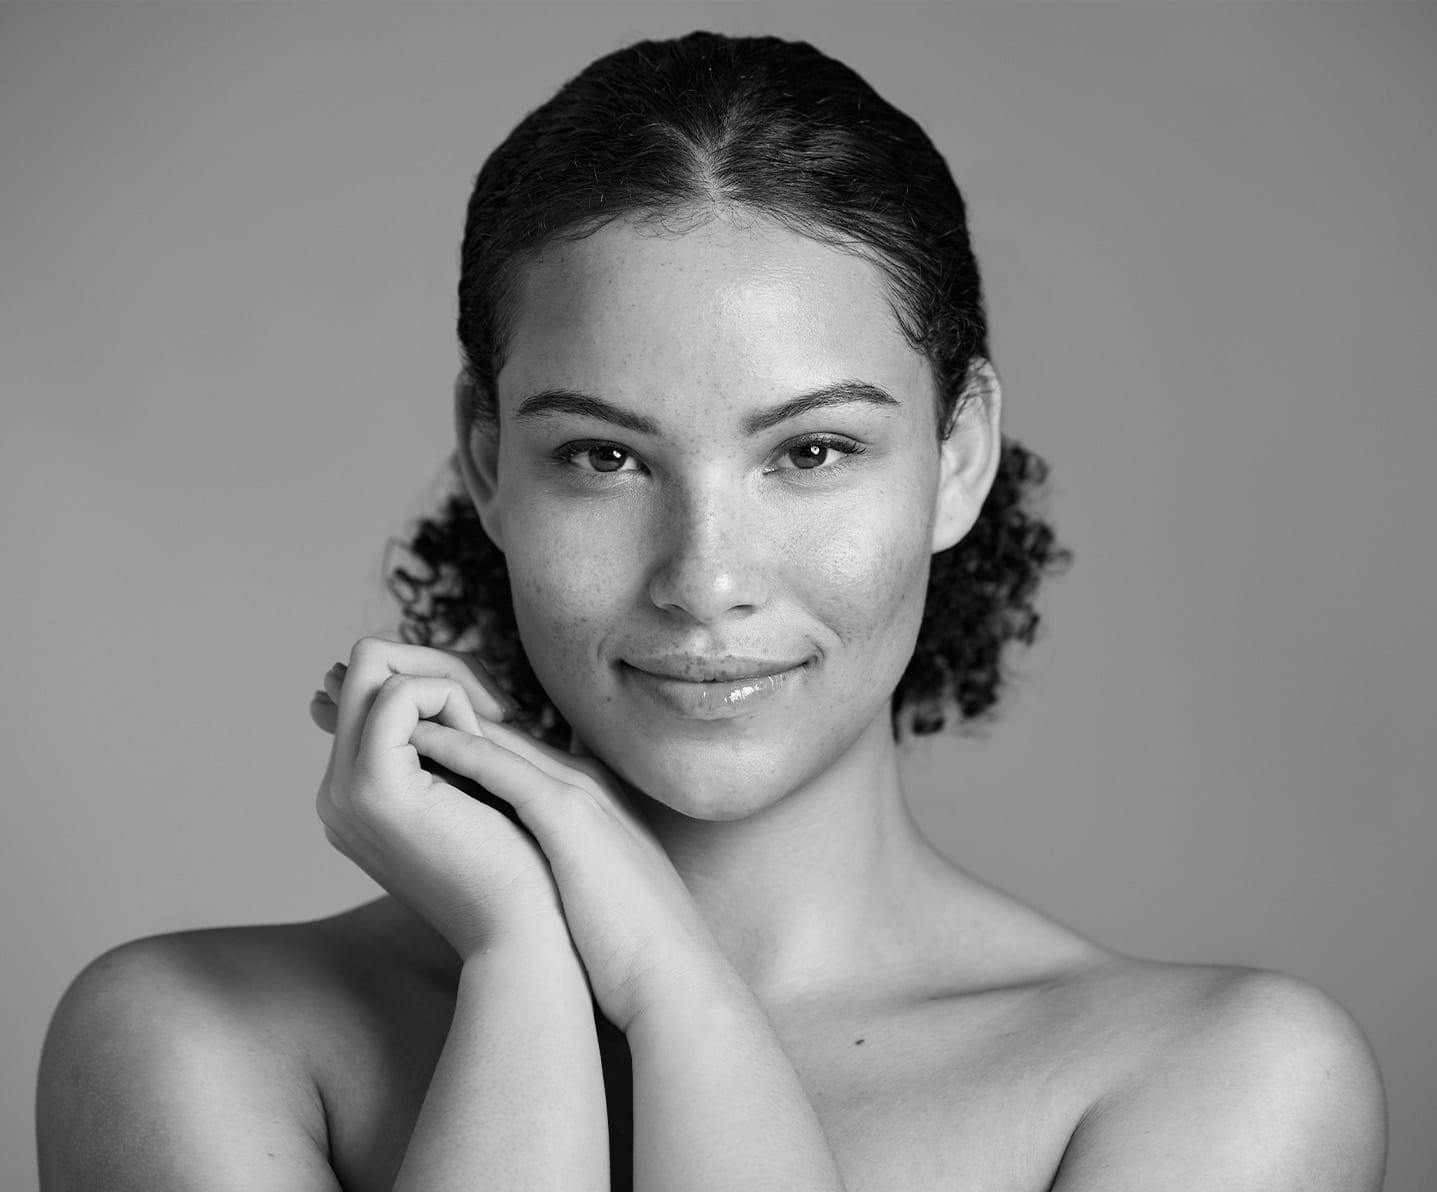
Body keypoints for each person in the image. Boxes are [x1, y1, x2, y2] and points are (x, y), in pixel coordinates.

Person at [36, 31, 1386, 1192]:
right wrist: (525, 967)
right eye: (604, 457)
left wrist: (666, 986)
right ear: (487, 455)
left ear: (957, 455)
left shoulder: (1214, 1083)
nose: (703, 576)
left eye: (809, 453)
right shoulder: (195, 1037)